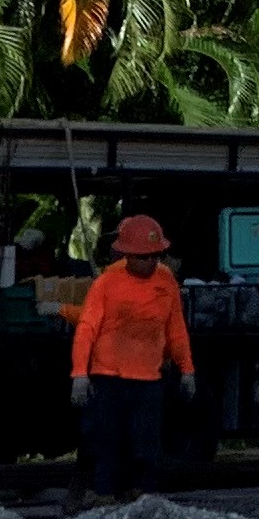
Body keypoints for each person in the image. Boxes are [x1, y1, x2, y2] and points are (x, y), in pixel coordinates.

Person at [68, 215, 193, 502]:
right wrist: (79, 375)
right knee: (108, 439)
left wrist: (187, 370)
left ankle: (143, 495)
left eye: (154, 255)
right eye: (142, 257)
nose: (150, 262)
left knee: (146, 442)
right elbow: (86, 328)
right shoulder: (107, 283)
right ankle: (105, 494)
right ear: (126, 255)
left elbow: (176, 329)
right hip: (109, 376)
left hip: (148, 378)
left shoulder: (166, 282)